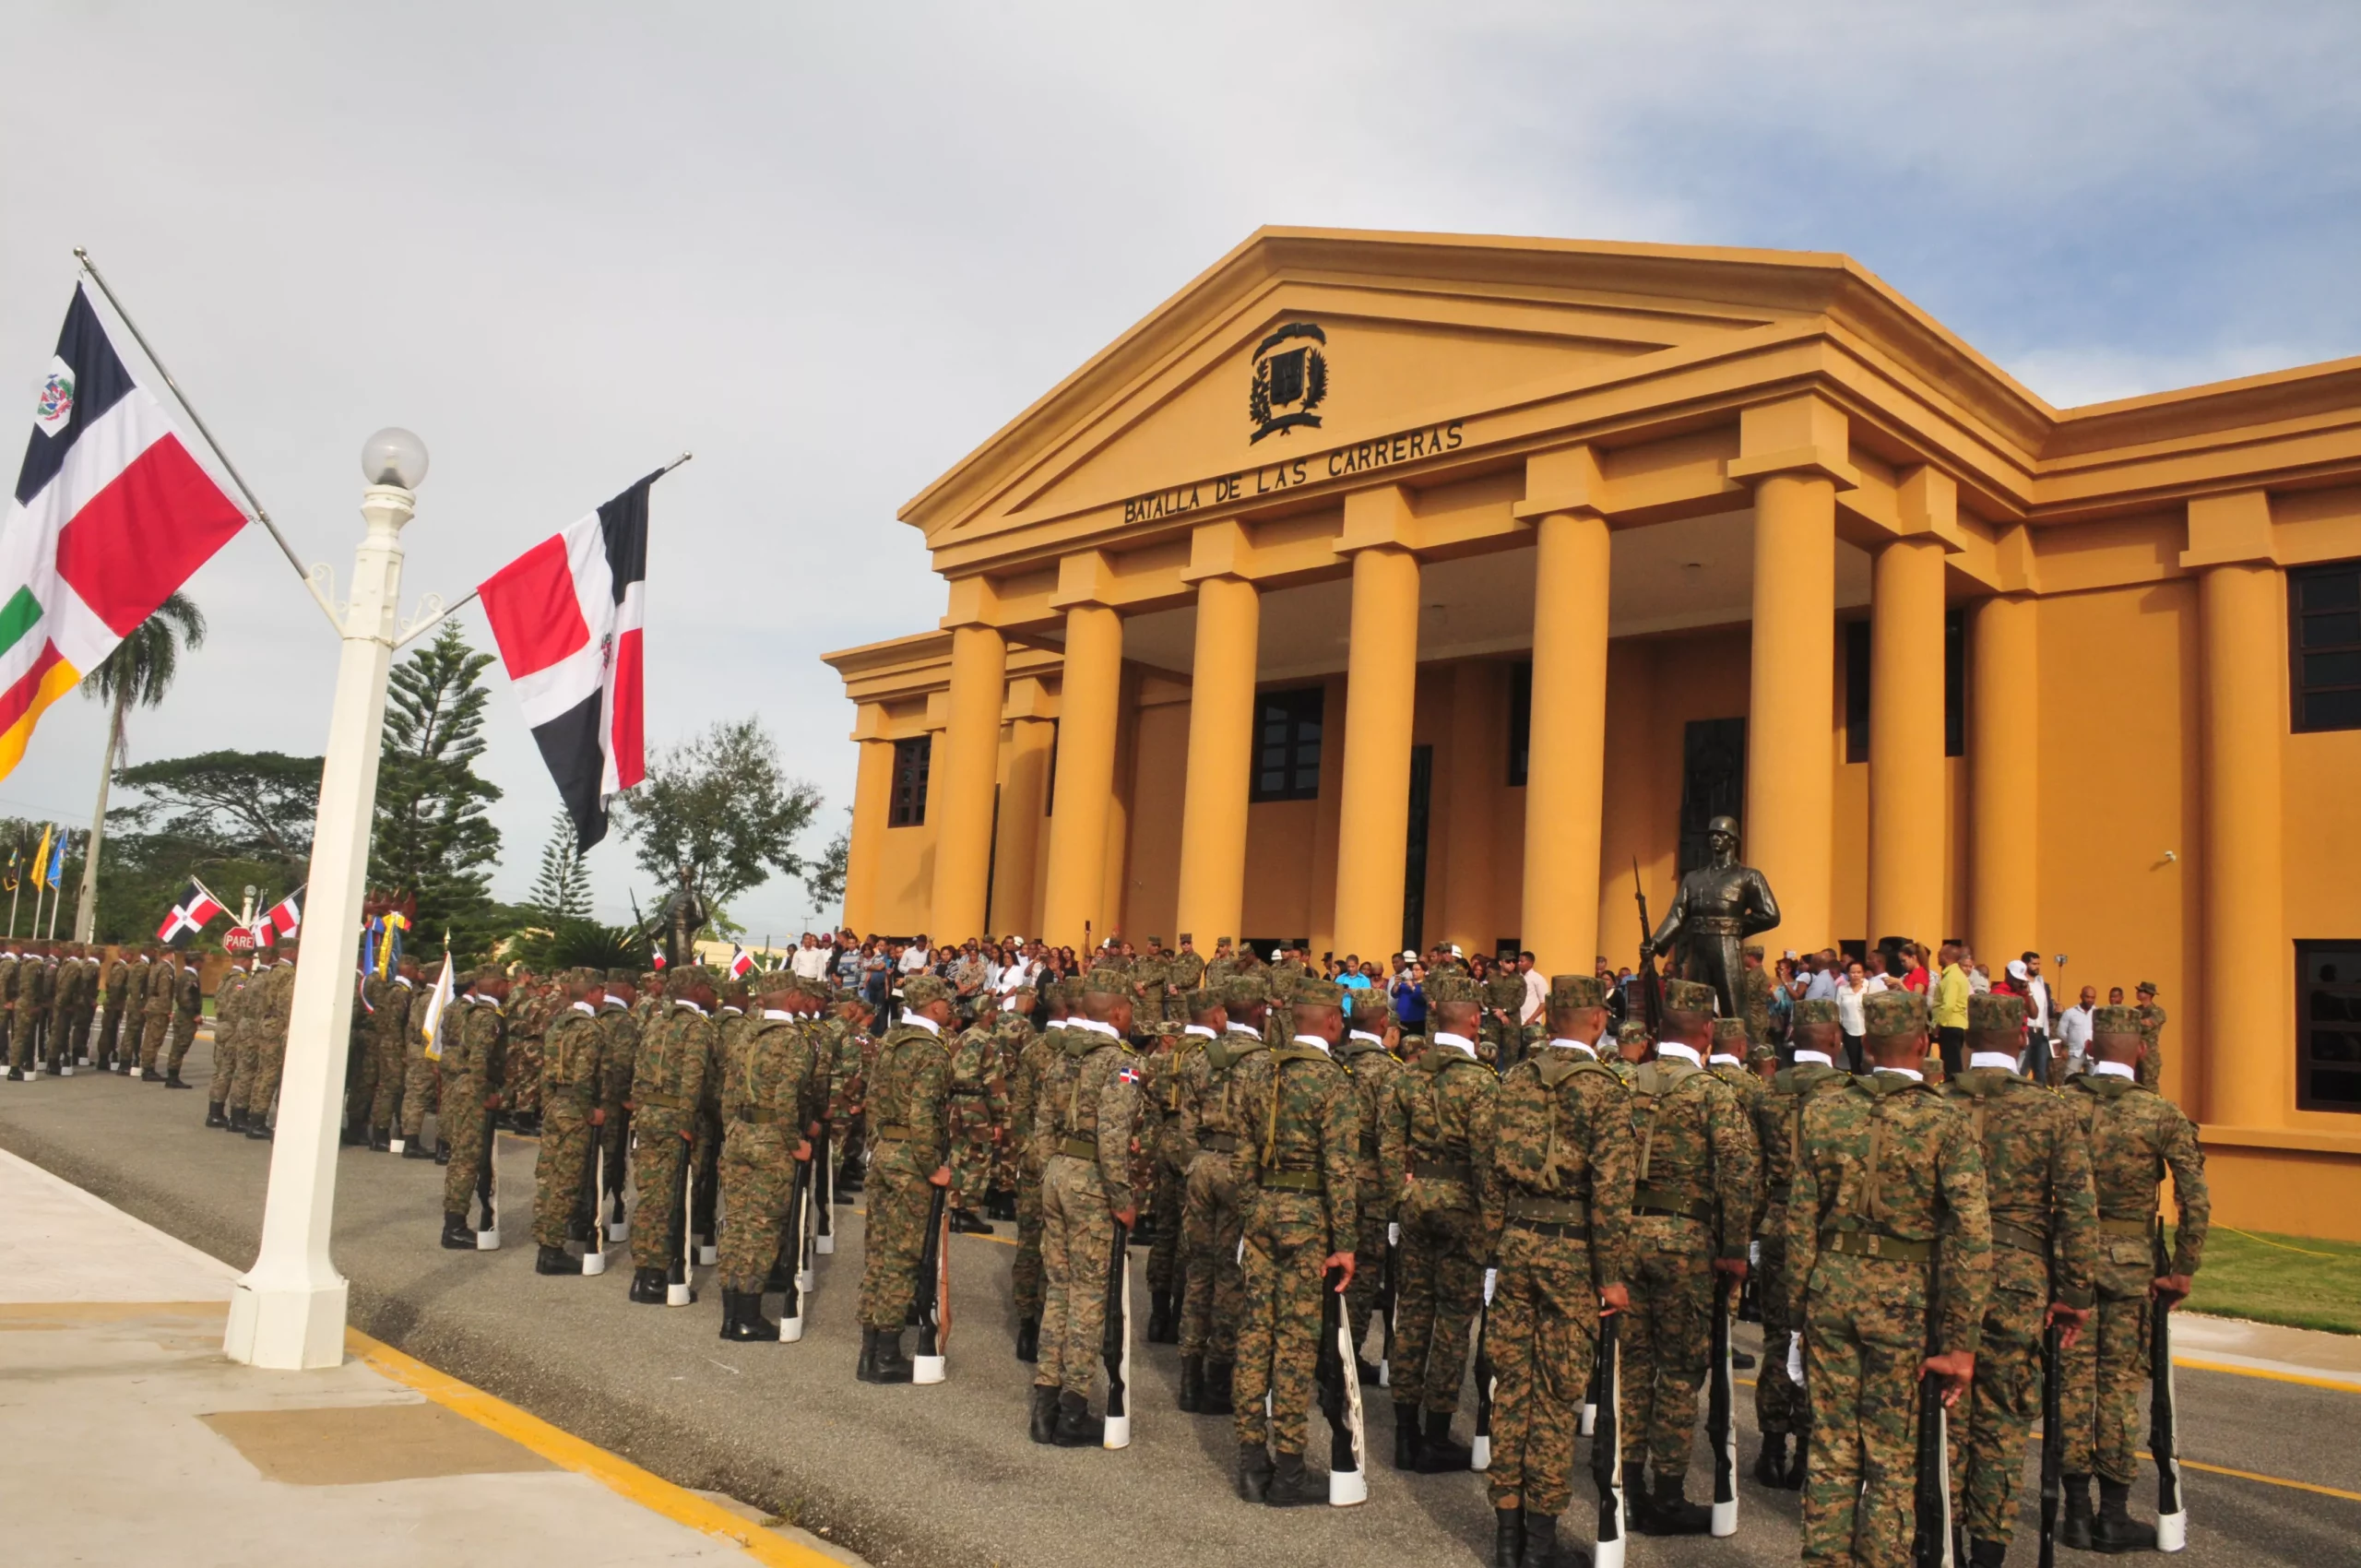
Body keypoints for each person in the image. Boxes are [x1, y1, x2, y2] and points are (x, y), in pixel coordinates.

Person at [1787, 988, 1991, 1568]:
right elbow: (1973, 1237)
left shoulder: (1825, 1109)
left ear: (1867, 1045)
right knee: (1892, 1456)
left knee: (1830, 1448)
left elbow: (1800, 1219)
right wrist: (1962, 1342)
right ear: (1924, 1044)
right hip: (1906, 1299)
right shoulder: (1943, 1121)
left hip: (1832, 1290)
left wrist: (1798, 1310)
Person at [1481, 974, 1635, 1568]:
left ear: (1549, 1021)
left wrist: (1496, 1248)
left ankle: (1507, 1535)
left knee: (1511, 1387)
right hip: (1572, 1253)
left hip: (1517, 1243)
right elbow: (1612, 1193)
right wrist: (1611, 1274)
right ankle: (1538, 1544)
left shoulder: (1515, 1079)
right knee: (1553, 1395)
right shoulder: (1604, 1089)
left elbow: (1492, 1171)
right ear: (1598, 1020)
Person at [1943, 992, 2100, 1566]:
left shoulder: (1937, 1103)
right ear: (2019, 1039)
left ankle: (1944, 1544)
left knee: (1945, 1415)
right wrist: (2076, 1292)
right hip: (2018, 1279)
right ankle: (1986, 1553)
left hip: (1945, 1278)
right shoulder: (2050, 1110)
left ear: (1964, 1041)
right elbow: (2078, 1210)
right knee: (2003, 1422)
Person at [2058, 1003, 2208, 1552]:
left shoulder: (2063, 1106)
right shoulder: (2159, 1113)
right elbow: (2195, 1194)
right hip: (2130, 1264)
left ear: (2092, 1049)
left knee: (2072, 1386)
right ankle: (2112, 1514)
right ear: (2142, 1051)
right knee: (2117, 1386)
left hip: (2069, 1260)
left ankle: (2075, 1511)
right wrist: (2185, 1266)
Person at [1619, 978, 1758, 1534]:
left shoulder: (1624, 1082)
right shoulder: (1712, 1092)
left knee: (1632, 1365)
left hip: (1626, 1234)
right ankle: (1667, 1493)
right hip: (1685, 1241)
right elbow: (1738, 1173)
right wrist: (1733, 1249)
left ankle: (1623, 1483)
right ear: (1706, 1034)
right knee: (1678, 1371)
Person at [1229, 976, 1359, 1507]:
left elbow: (1241, 1154)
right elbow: (1341, 1169)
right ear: (1330, 1021)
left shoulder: (1260, 1070)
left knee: (1255, 1334)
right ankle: (1288, 1469)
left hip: (1262, 1209)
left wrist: (1251, 1211)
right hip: (1308, 1218)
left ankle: (1250, 1461)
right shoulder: (1333, 1082)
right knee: (1295, 1342)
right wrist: (1346, 1241)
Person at [1385, 971, 1497, 1474]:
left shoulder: (1407, 1074)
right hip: (1461, 1206)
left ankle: (1404, 1432)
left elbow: (1388, 1145)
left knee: (1412, 1312)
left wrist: (1399, 1195)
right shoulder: (1480, 1082)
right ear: (1474, 1021)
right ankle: (1435, 1432)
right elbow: (1487, 1161)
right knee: (1452, 1321)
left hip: (1416, 1197)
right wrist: (1492, 1225)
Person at [1027, 968, 1144, 1442]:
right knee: (1090, 1295)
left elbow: (1042, 1122)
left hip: (1057, 1171)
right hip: (1092, 1180)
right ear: (1116, 1012)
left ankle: (1045, 1401)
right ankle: (1074, 1408)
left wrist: (1047, 1171)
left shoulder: (1064, 1054)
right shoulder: (1120, 1062)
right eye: (1130, 1009)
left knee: (1059, 1289)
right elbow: (1113, 1138)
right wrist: (1122, 1197)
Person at [1751, 997, 1851, 1488]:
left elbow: (1749, 1168)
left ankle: (1770, 1446)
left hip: (1777, 1222)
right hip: (1827, 1228)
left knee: (1777, 1337)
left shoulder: (1768, 1092)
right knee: (1820, 1341)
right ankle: (1808, 1453)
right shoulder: (1847, 1095)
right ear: (1833, 1039)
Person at [1173, 977, 1270, 1415]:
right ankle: (1217, 1377)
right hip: (1238, 1170)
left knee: (1199, 1271)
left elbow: (1187, 1124)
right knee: (1232, 1275)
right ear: (1260, 1013)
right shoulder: (1266, 1064)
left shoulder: (1198, 1060)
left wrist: (1196, 1162)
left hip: (1202, 1165)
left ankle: (1189, 1376)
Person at [715, 979, 825, 1339]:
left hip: (739, 1135)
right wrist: (795, 1143)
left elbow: (728, 1093)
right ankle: (747, 1315)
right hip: (772, 1140)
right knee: (762, 1226)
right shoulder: (792, 1039)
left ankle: (732, 1311)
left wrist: (731, 1130)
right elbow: (785, 1097)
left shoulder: (745, 1033)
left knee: (738, 1223)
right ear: (792, 998)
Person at [625, 971, 717, 1301]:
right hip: (673, 1118)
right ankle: (654, 1276)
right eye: (707, 987)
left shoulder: (654, 1022)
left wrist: (638, 1112)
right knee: (668, 1198)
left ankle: (644, 1271)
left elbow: (639, 1070)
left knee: (650, 1194)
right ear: (697, 990)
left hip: (648, 1114)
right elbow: (694, 1078)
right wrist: (687, 1121)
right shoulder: (695, 1027)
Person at [1335, 985, 1406, 1381]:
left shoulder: (1332, 1060)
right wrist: (1397, 1198)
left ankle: (1321, 1347)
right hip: (1371, 1185)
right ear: (1384, 1024)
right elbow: (1390, 1139)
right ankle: (1348, 1353)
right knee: (1361, 1273)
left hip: (1330, 1179)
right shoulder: (1389, 1071)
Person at [532, 972, 617, 1276]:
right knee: (567, 1182)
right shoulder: (590, 1029)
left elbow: (545, 1071)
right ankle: (551, 1250)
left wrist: (548, 1104)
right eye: (600, 992)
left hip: (556, 1102)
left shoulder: (558, 1025)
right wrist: (590, 1111)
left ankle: (545, 1239)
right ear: (591, 994)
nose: (604, 997)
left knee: (549, 1175)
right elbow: (583, 1078)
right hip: (574, 1109)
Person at [439, 970, 509, 1250]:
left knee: (465, 1158)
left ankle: (455, 1221)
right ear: (499, 985)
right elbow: (480, 1058)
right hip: (475, 1091)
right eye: (507, 983)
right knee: (466, 1160)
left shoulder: (474, 1011)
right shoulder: (488, 1016)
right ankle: (454, 1227)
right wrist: (485, 1095)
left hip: (465, 1086)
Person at [1931, 941, 1972, 1078]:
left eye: (1939, 955)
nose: (1937, 958)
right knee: (1950, 1064)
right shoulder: (1954, 975)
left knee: (1952, 1066)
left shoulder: (1952, 977)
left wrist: (1937, 1024)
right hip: (1955, 1024)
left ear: (1946, 957)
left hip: (1950, 1024)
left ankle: (1955, 1093)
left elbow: (1948, 1004)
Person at [2132, 981, 2168, 1092]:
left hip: (2149, 1054)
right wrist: (2140, 1022)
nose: (2137, 993)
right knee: (2134, 1085)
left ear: (2148, 994)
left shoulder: (2157, 1011)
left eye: (2141, 991)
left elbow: (2148, 1025)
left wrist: (2135, 1022)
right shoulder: (2135, 1011)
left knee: (2150, 1086)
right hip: (2134, 1053)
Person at [2056, 984, 2097, 1076]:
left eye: (2093, 997)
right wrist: (2071, 1042)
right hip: (2075, 1052)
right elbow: (2061, 1032)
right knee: (2069, 1078)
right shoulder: (2070, 1013)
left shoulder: (2097, 1013)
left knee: (2094, 1082)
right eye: (2087, 997)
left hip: (2093, 1054)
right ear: (2081, 996)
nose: (2090, 1000)